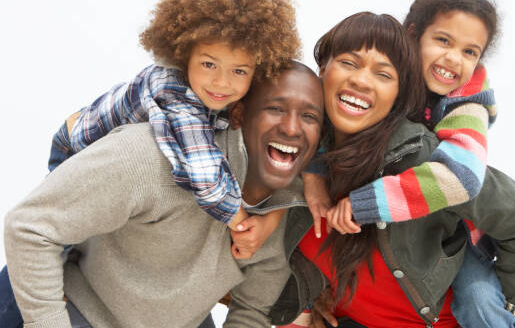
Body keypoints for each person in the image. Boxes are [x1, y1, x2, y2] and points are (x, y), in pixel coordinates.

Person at [269, 12, 515, 328]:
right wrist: (304, 301)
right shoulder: (288, 154)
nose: (361, 80)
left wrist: (502, 300)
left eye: (383, 74)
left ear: (399, 94)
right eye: (349, 63)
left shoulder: (427, 162)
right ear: (323, 70)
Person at [2, 63, 324, 328]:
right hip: (79, 310)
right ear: (239, 114)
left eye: (309, 116)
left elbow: (251, 310)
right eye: (275, 109)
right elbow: (29, 227)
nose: (292, 128)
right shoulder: (150, 157)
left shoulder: (288, 211)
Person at [48, 0, 300, 235]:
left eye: (239, 71)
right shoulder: (172, 90)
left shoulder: (220, 93)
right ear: (184, 55)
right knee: (60, 231)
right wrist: (240, 222)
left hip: (118, 169)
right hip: (75, 146)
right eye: (209, 64)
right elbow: (204, 174)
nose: (222, 82)